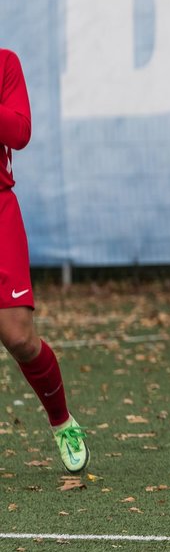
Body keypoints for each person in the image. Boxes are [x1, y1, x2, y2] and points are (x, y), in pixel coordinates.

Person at [0, 49, 89, 474]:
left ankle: (62, 421)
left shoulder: (5, 63)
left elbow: (19, 132)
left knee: (19, 337)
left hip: (0, 211)